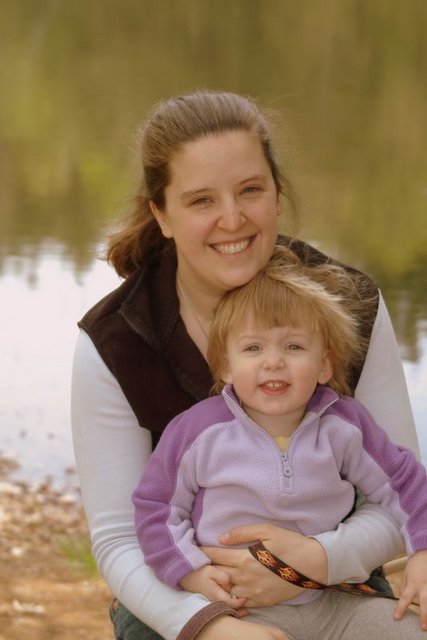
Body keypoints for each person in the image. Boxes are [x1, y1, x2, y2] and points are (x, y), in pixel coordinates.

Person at [71, 90, 425, 640]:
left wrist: (316, 560)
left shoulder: (349, 304)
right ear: (161, 214)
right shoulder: (116, 340)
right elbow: (120, 540)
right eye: (201, 201)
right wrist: (209, 625)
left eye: (250, 190)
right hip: (183, 598)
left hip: (337, 586)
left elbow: (401, 497)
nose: (232, 219)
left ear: (278, 195)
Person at [132, 246, 427, 639]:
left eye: (294, 347)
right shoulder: (197, 433)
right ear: (225, 365)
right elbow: (156, 508)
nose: (273, 362)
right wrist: (191, 572)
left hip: (331, 601)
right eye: (253, 348)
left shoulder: (344, 425)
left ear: (324, 365)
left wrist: (423, 550)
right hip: (238, 609)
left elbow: (404, 483)